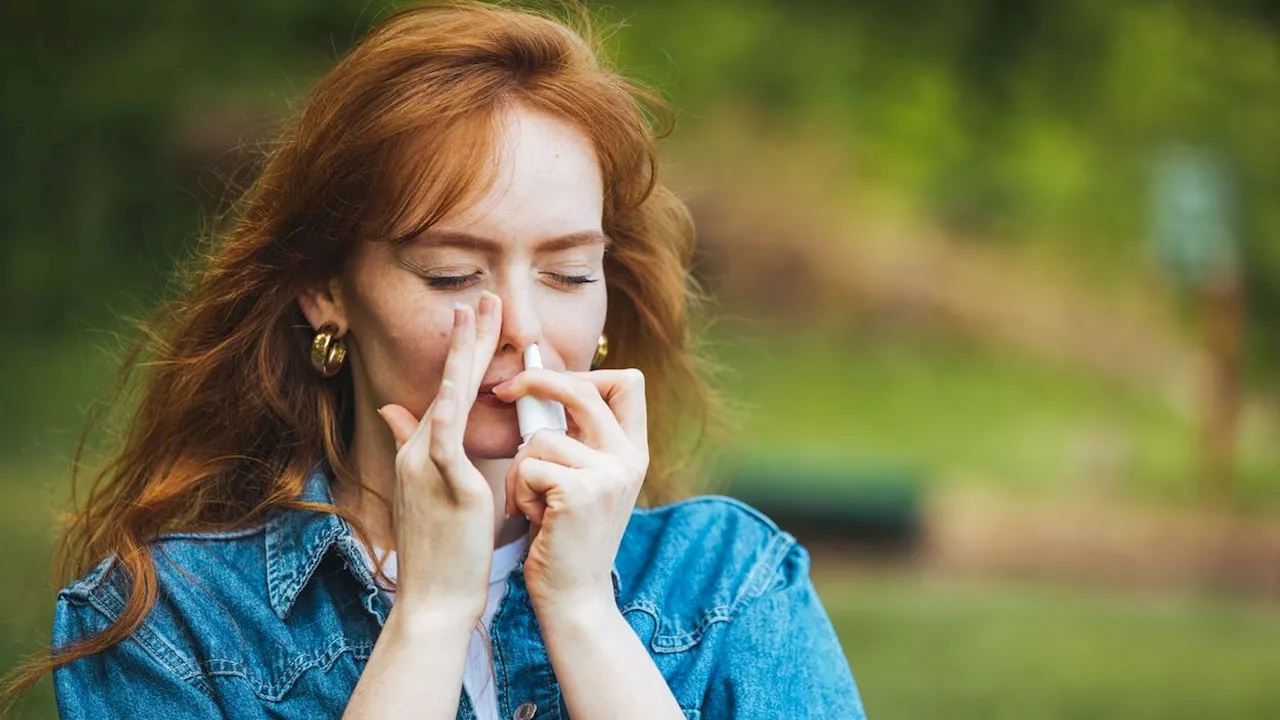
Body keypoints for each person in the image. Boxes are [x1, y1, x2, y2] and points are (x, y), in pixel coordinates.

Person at [10, 2, 866, 717]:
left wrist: (582, 613)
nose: (521, 327)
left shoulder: (731, 583)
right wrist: (431, 612)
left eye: (568, 273)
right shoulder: (177, 623)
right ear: (325, 289)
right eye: (452, 273)